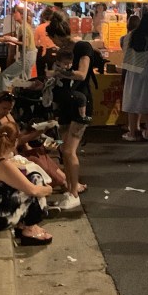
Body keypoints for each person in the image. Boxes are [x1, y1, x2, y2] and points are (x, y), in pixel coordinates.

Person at [0, 120, 54, 246]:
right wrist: (48, 189)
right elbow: (33, 190)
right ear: (16, 141)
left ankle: (25, 225)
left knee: (31, 178)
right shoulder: (2, 163)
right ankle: (31, 228)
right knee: (37, 180)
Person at [45, 16, 96, 209]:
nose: (53, 43)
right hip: (66, 103)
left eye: (52, 39)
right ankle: (70, 188)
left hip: (80, 102)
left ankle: (74, 194)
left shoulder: (82, 47)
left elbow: (82, 74)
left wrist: (60, 73)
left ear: (57, 35)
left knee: (68, 150)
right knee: (63, 150)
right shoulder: (64, 51)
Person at [121, 12, 148, 141]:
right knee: (146, 102)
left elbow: (125, 54)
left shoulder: (129, 36)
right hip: (147, 72)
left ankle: (132, 133)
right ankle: (147, 132)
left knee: (132, 102)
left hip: (132, 72)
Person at [0, 5, 36, 88]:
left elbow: (25, 43)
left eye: (16, 12)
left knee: (5, 75)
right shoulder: (25, 25)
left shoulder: (23, 27)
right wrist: (10, 39)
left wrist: (10, 40)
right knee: (26, 81)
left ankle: (4, 94)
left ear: (22, 15)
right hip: (30, 55)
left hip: (27, 56)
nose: (14, 14)